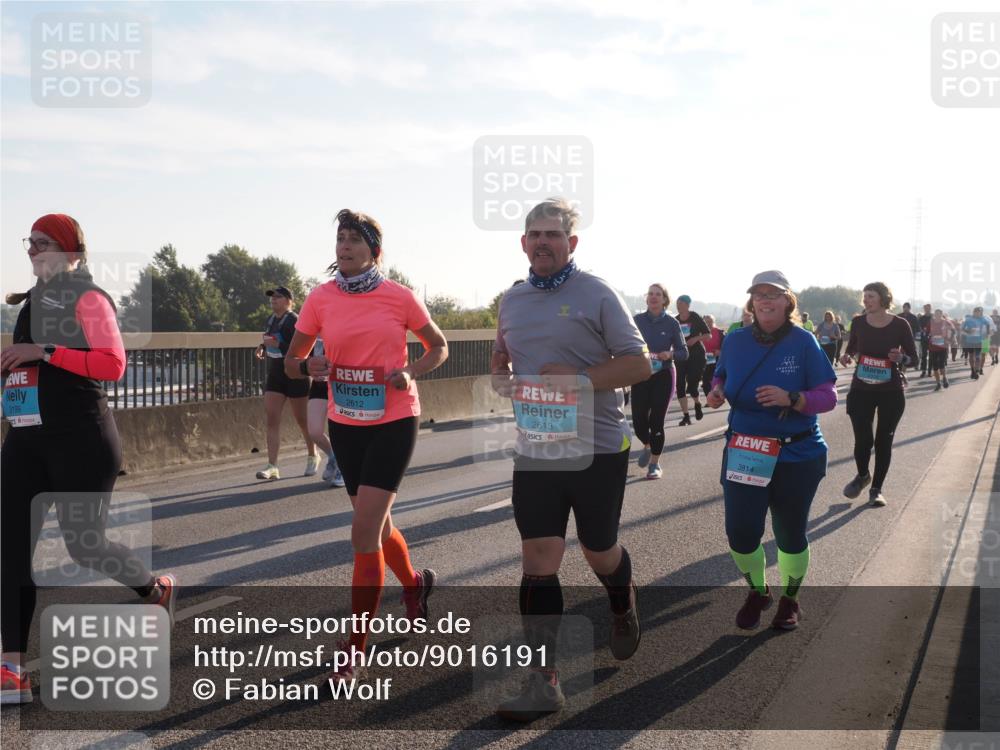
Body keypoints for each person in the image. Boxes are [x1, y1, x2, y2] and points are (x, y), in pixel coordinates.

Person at [1, 214, 176, 705]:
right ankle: (9, 669)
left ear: (72, 251)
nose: (33, 249)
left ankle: (153, 589)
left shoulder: (89, 297)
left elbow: (112, 364)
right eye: (29, 242)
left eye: (43, 242)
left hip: (81, 440)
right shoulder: (33, 301)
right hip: (26, 440)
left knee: (85, 547)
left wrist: (44, 350)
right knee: (10, 550)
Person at [491, 198, 650, 721]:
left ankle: (621, 596)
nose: (542, 242)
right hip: (537, 446)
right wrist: (502, 379)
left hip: (597, 449)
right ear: (522, 242)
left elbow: (639, 364)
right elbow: (502, 360)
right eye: (533, 234)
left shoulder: (597, 294)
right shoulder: (511, 301)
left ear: (571, 243)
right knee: (538, 557)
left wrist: (578, 381)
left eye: (552, 235)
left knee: (598, 551)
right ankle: (544, 680)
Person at [285, 208, 448, 684]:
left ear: (374, 249)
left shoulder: (399, 297)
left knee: (363, 534)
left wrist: (410, 371)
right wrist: (308, 368)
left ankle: (354, 647)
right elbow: (292, 361)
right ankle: (415, 585)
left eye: (355, 239)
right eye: (340, 238)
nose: (344, 246)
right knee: (377, 526)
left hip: (394, 420)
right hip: (347, 424)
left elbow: (437, 346)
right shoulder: (320, 297)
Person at [706, 270, 836, 631]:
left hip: (797, 453)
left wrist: (793, 398)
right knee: (741, 533)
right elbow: (722, 376)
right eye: (759, 294)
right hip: (746, 448)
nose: (765, 300)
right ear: (752, 301)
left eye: (773, 294)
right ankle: (758, 591)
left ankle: (790, 600)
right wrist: (717, 391)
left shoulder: (803, 341)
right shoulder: (735, 340)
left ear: (787, 301)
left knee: (790, 533)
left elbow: (828, 396)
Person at [839, 282, 917, 507]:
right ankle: (863, 475)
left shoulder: (900, 324)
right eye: (864, 296)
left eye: (870, 296)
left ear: (883, 298)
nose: (866, 300)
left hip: (890, 391)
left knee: (884, 441)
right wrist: (847, 356)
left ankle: (876, 489)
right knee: (863, 440)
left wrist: (901, 359)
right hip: (861, 390)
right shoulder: (858, 322)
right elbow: (852, 348)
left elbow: (914, 358)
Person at [254, 286, 317, 480]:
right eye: (272, 297)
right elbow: (270, 340)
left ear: (289, 301)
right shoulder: (271, 319)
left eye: (278, 297)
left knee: (302, 421)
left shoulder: (295, 321)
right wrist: (263, 347)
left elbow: (304, 349)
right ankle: (272, 466)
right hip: (276, 374)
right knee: (272, 418)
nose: (273, 300)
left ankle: (313, 454)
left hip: (296, 374)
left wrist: (278, 345)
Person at [632, 284, 688, 480]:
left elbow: (684, 352)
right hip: (641, 374)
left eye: (658, 294)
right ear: (646, 298)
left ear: (665, 299)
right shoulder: (636, 321)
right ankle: (647, 445)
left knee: (656, 421)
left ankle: (654, 464)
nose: (654, 297)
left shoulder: (672, 323)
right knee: (638, 423)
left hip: (663, 375)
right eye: (651, 294)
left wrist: (670, 353)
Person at [305, 337, 345, 487]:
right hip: (319, 386)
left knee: (341, 431)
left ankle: (344, 468)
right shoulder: (311, 335)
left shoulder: (340, 327)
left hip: (341, 385)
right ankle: (334, 457)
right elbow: (301, 359)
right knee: (314, 431)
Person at [674, 295, 711, 425]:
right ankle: (686, 416)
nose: (678, 306)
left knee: (692, 384)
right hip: (681, 355)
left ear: (687, 305)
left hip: (696, 356)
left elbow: (708, 335)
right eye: (677, 304)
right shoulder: (675, 321)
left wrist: (695, 339)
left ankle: (697, 403)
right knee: (679, 385)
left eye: (681, 304)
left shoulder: (695, 317)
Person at [962, 308, 992, 380]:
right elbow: (962, 328)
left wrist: (987, 333)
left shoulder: (982, 319)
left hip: (979, 340)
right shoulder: (968, 319)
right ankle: (972, 370)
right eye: (976, 312)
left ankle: (976, 370)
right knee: (971, 356)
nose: (978, 314)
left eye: (979, 312)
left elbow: (988, 325)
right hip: (969, 341)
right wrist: (969, 331)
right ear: (974, 312)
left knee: (978, 357)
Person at [927, 309, 953, 391]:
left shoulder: (946, 322)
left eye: (939, 314)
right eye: (936, 314)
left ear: (941, 314)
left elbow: (953, 331)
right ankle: (938, 383)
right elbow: (926, 333)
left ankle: (944, 378)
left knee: (941, 364)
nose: (937, 315)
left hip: (943, 347)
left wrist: (949, 339)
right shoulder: (931, 322)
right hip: (933, 347)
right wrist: (928, 337)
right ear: (934, 314)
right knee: (935, 366)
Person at [701, 314, 724, 398]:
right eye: (706, 322)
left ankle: (716, 395)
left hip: (717, 359)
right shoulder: (699, 333)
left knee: (715, 378)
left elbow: (727, 346)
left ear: (713, 322)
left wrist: (720, 351)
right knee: (706, 380)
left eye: (710, 321)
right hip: (703, 360)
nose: (708, 323)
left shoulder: (719, 332)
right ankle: (709, 397)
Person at [917, 303, 933, 377]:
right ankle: (923, 371)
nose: (926, 309)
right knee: (924, 355)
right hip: (924, 338)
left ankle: (930, 371)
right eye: (925, 308)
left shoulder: (933, 317)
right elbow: (919, 327)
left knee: (931, 355)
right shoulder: (921, 318)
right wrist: (923, 331)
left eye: (928, 308)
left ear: (930, 309)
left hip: (932, 339)